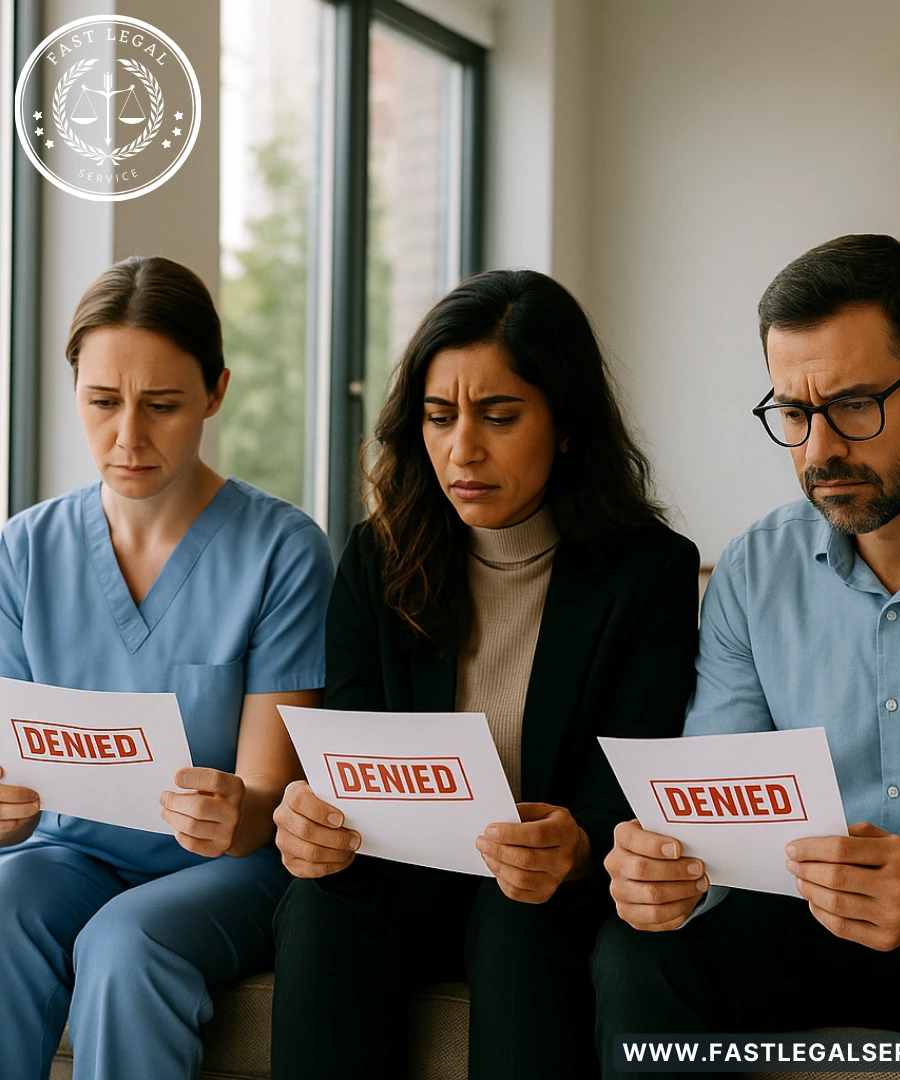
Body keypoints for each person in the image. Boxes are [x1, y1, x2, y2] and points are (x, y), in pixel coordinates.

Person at [593, 235, 900, 1079]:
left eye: (855, 405)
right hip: (798, 922)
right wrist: (672, 873)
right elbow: (716, 810)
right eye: (793, 412)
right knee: (639, 958)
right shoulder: (755, 569)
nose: (818, 450)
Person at [270, 268, 701, 1079]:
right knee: (320, 902)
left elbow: (628, 785)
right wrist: (310, 817)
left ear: (566, 425)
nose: (462, 449)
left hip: (549, 893)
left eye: (499, 417)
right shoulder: (377, 557)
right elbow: (349, 762)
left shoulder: (651, 572)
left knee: (518, 915)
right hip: (408, 875)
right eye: (439, 417)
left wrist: (576, 844)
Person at [0, 256, 335, 1080]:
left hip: (226, 868)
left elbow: (267, 797)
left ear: (215, 393)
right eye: (102, 402)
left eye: (163, 405)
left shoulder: (283, 551)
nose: (128, 437)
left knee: (125, 943)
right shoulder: (24, 550)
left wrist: (237, 810)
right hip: (67, 854)